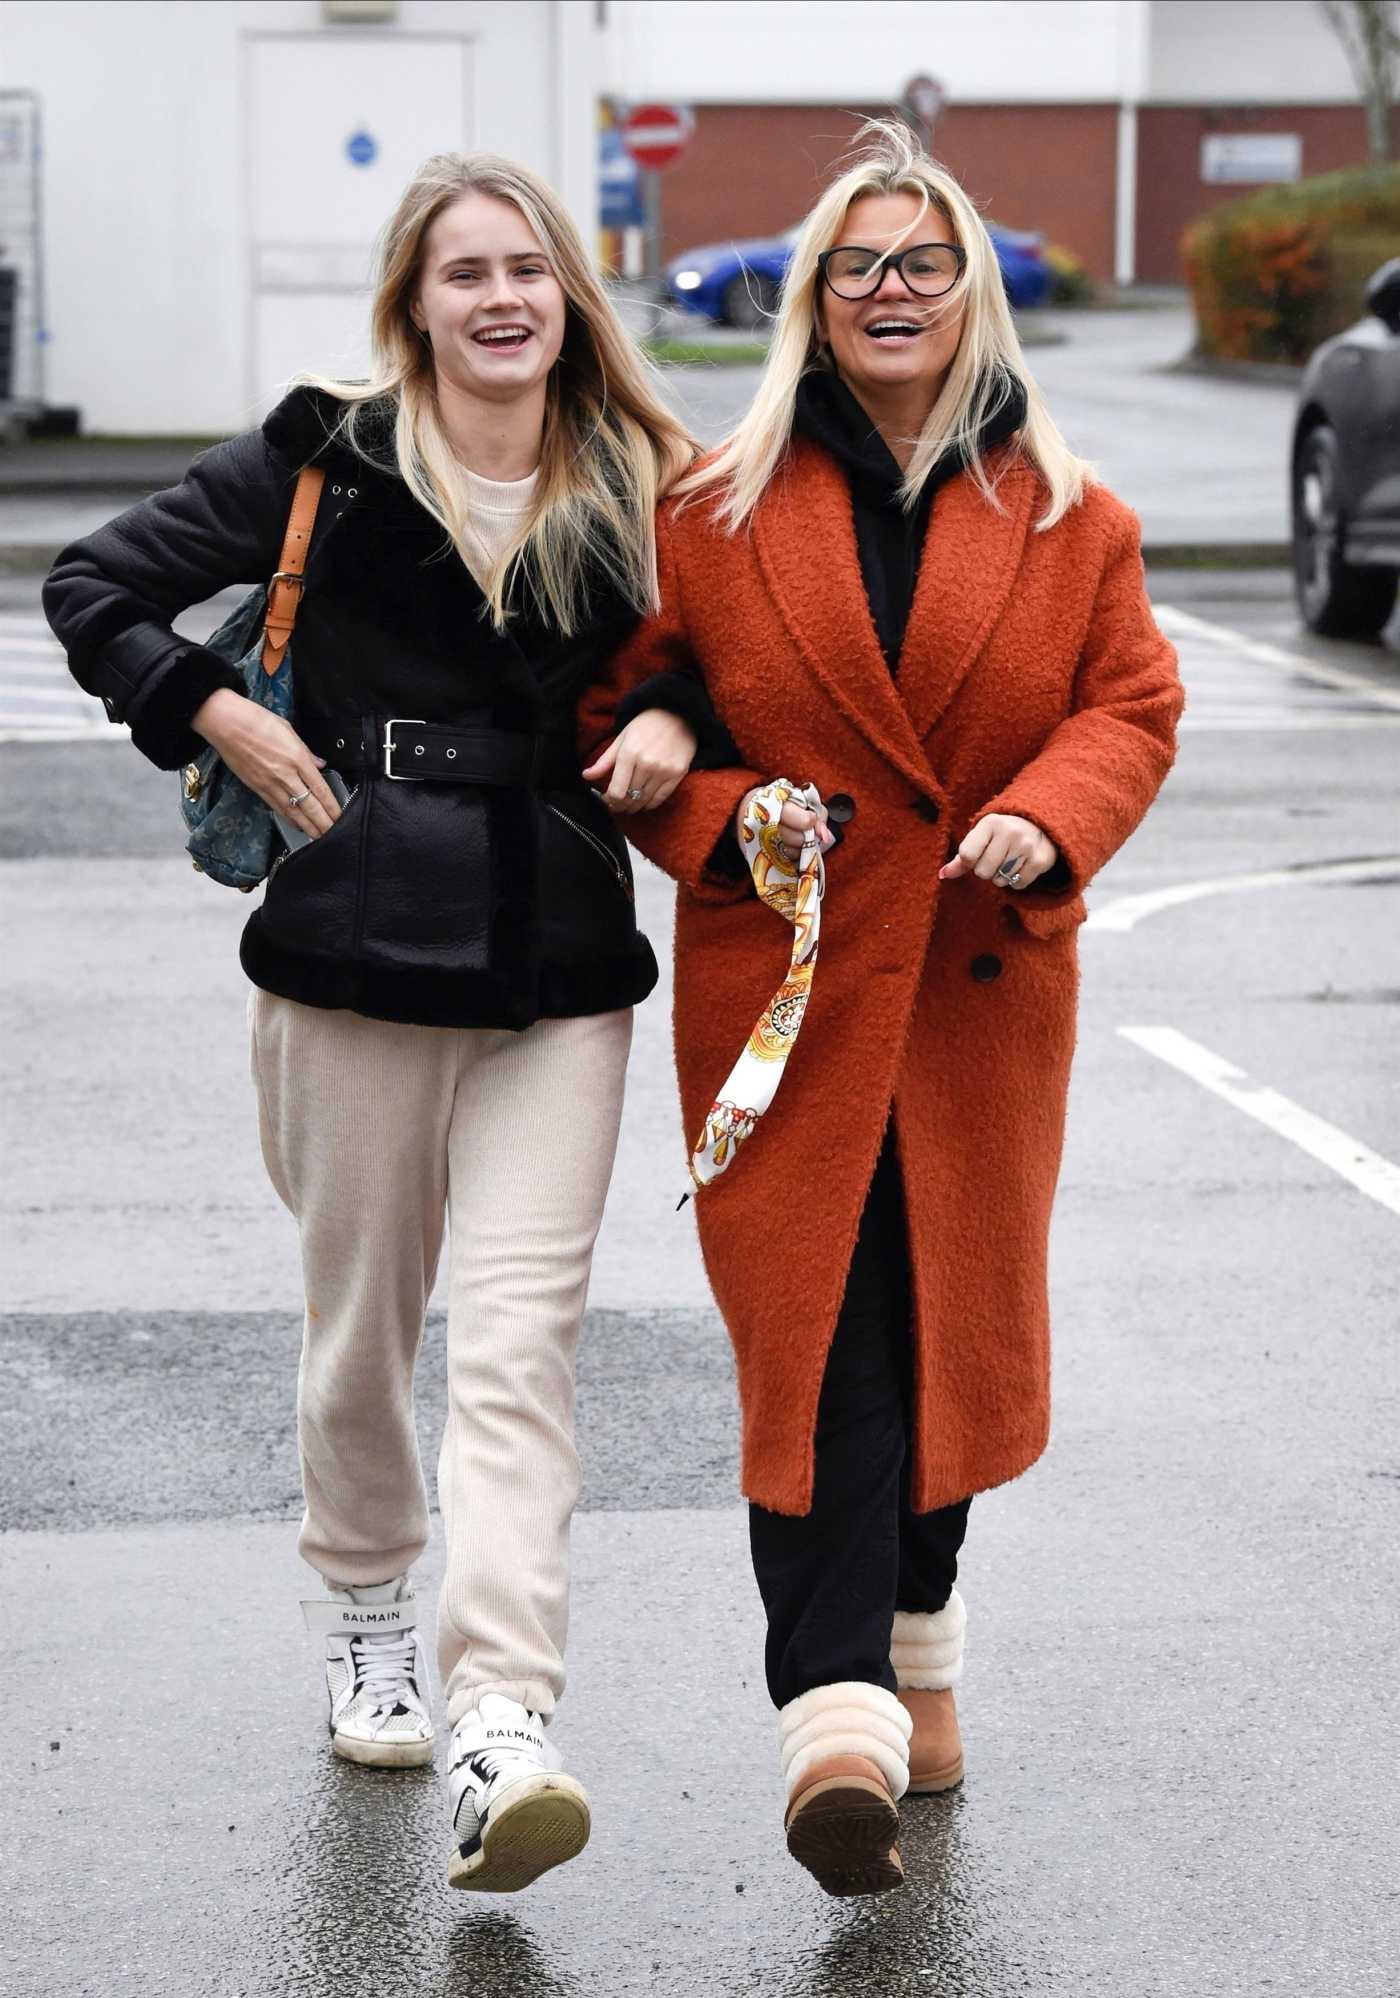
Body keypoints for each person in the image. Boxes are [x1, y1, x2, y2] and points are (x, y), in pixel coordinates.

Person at [43, 152, 714, 1895]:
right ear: (412, 303)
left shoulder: (649, 476)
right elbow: (92, 586)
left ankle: (506, 1720)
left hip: (557, 965)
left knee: (519, 1350)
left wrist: (681, 724)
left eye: (530, 270)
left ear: (571, 294)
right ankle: (366, 1610)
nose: (502, 298)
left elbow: (738, 646)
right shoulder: (320, 459)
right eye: (464, 272)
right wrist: (208, 708)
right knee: (362, 1335)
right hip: (344, 949)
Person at [581, 120, 1184, 1898]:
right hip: (794, 986)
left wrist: (1050, 812)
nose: (893, 292)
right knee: (818, 1342)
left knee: (946, 1335)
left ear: (974, 292)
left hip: (983, 993)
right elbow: (632, 706)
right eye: (858, 268)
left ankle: (919, 1637)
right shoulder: (712, 507)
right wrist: (701, 802)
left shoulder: (1076, 519)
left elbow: (1132, 708)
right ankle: (831, 1710)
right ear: (813, 304)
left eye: (925, 264)